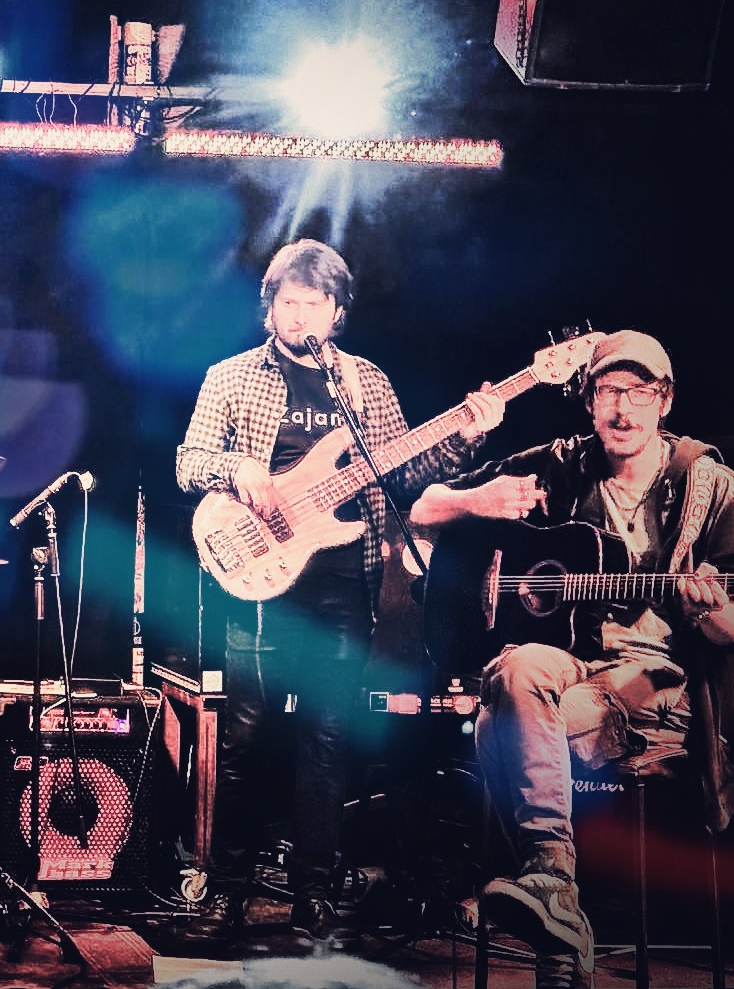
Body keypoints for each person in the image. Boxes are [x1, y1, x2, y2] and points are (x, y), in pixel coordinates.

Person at [176, 239, 505, 931]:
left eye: (314, 303)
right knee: (244, 734)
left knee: (326, 735)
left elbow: (405, 475)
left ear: (336, 311)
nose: (299, 315)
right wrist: (237, 469)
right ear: (270, 306)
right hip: (260, 579)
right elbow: (189, 460)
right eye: (287, 302)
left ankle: (313, 893)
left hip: (342, 579)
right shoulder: (231, 376)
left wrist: (466, 435)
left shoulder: (365, 384)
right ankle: (228, 888)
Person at [410, 330, 734, 984]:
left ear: (665, 400)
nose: (623, 409)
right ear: (589, 401)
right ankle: (558, 896)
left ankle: (556, 925)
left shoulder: (712, 487)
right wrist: (478, 500)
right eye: (607, 391)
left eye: (639, 392)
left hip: (654, 681)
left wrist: (710, 610)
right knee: (516, 669)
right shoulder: (560, 466)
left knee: (495, 726)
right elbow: (424, 508)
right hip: (567, 664)